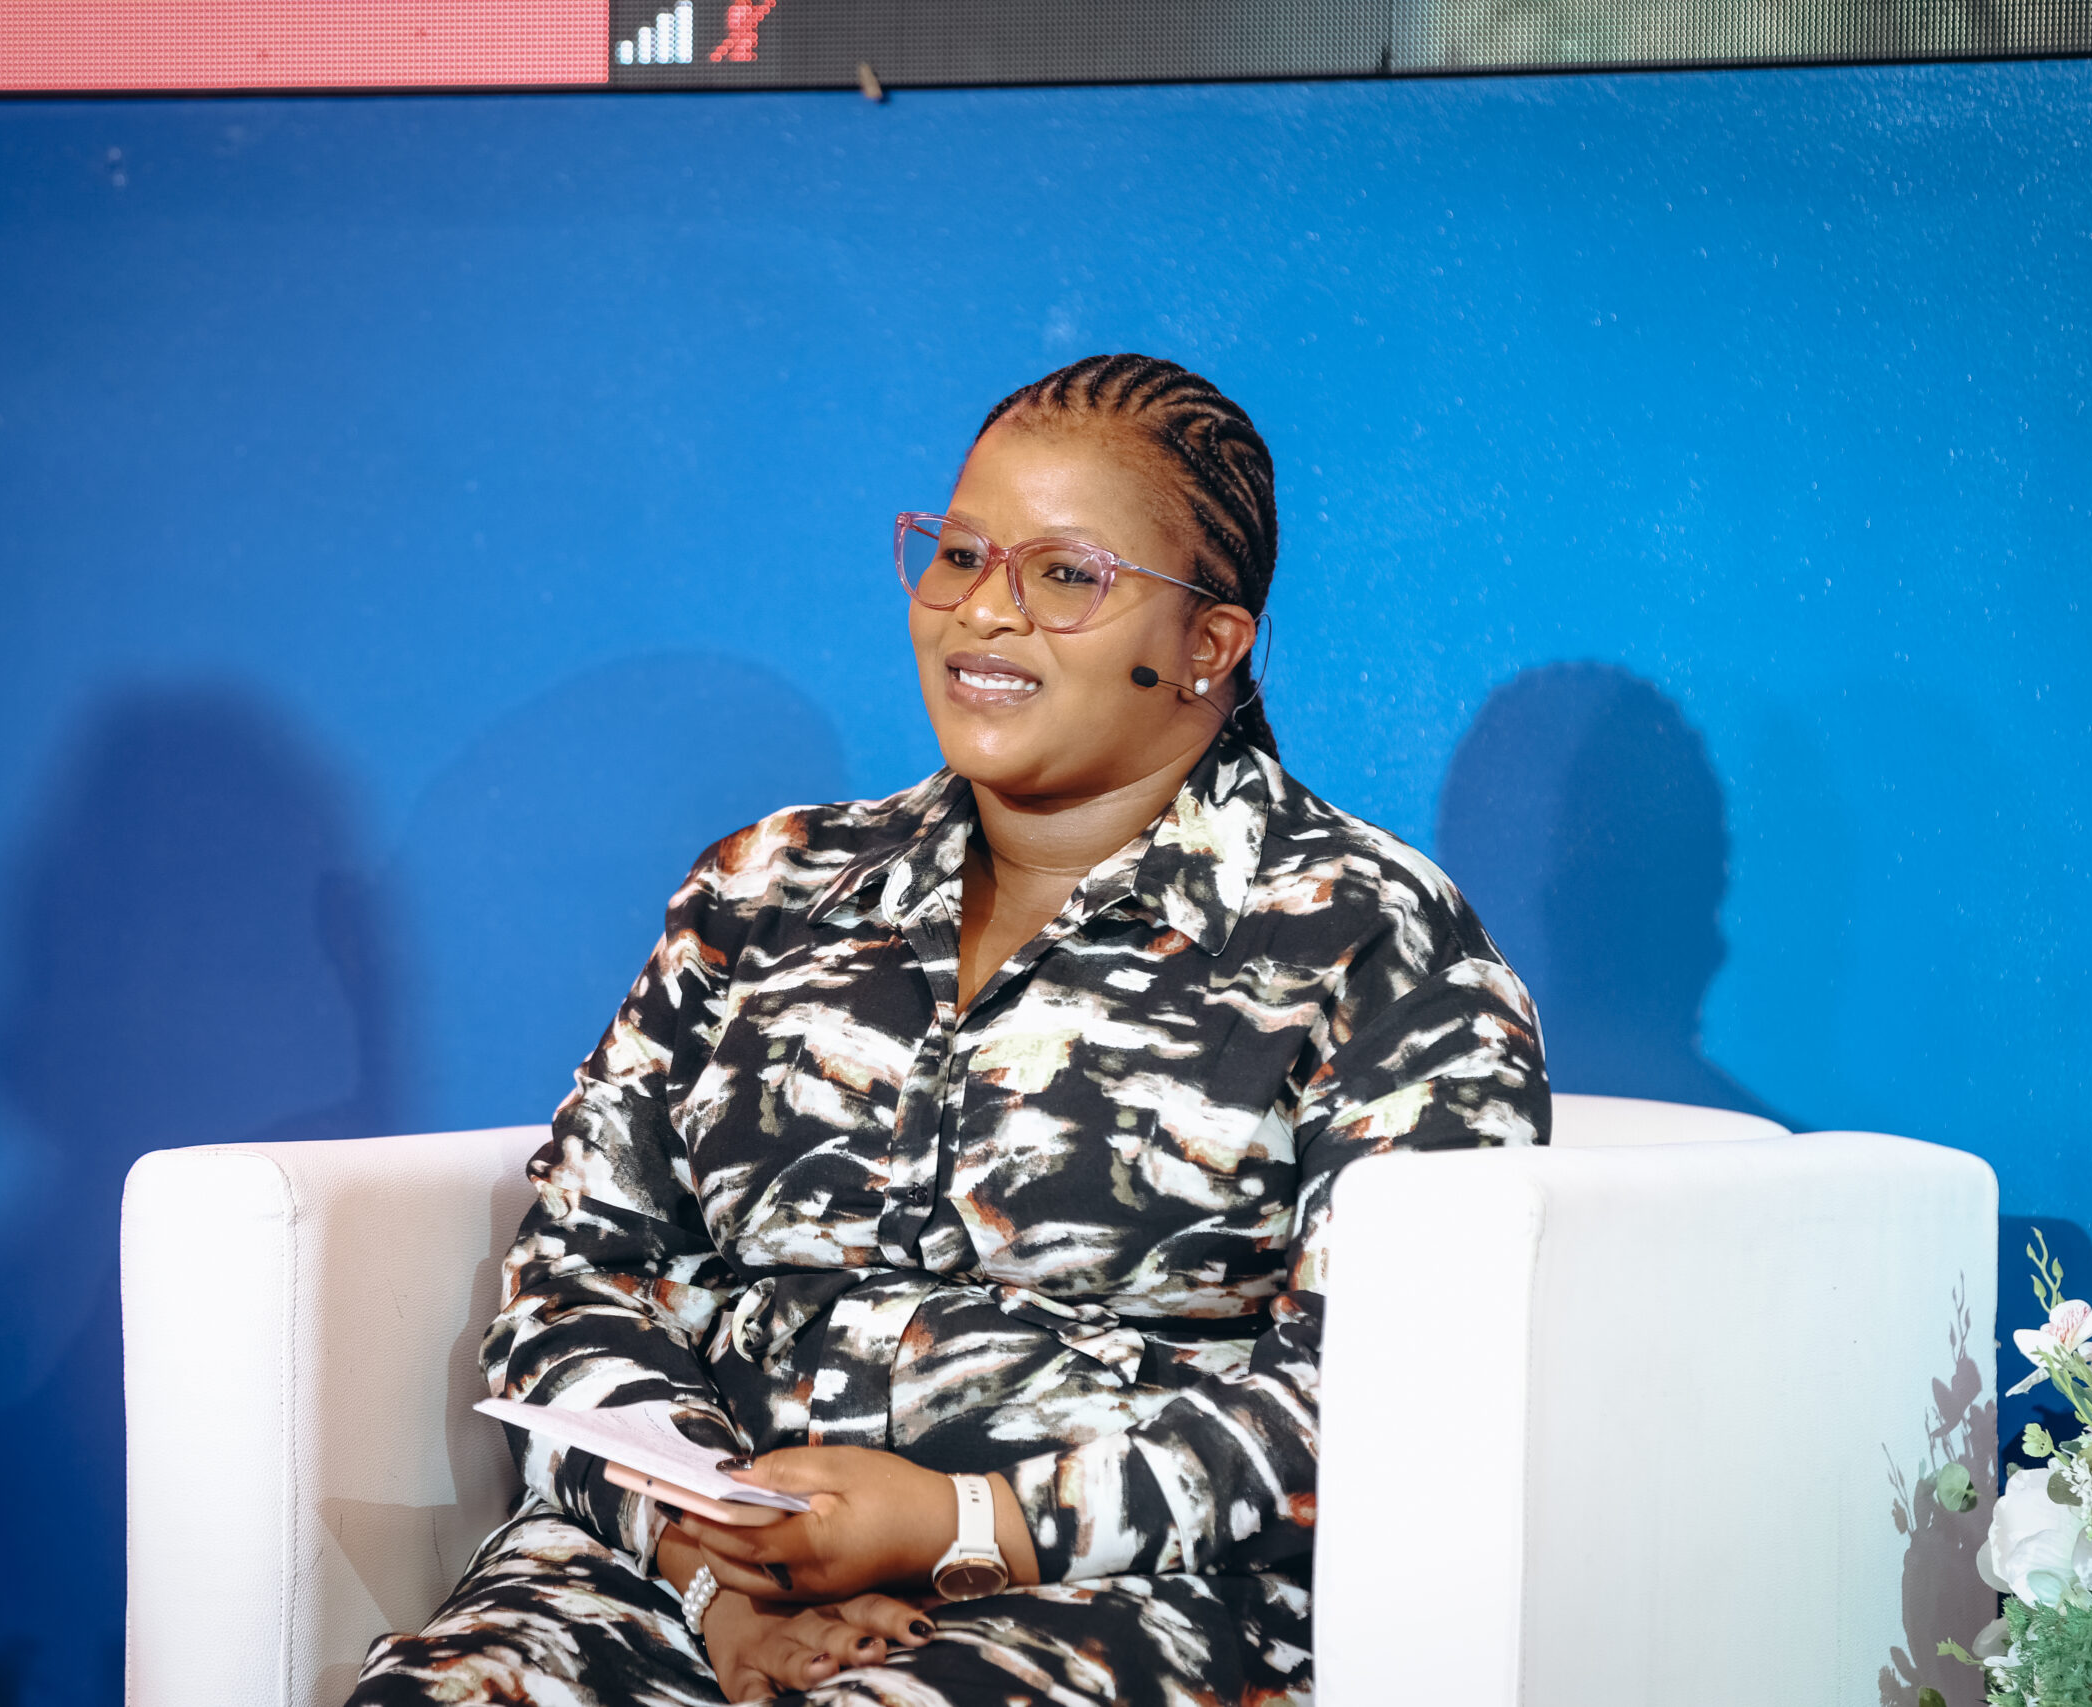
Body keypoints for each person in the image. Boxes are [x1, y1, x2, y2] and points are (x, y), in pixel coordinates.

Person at [348, 354, 1549, 1707]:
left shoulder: (1368, 941)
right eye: (962, 553)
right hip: (680, 1571)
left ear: (1210, 646)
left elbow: (1385, 1392)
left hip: (1124, 1600)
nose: (982, 610)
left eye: (1065, 575)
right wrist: (713, 1567)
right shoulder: (765, 892)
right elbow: (582, 1275)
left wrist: (961, 1525)